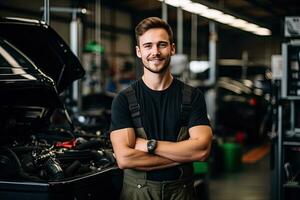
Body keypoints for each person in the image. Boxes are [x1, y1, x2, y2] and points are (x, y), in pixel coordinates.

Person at [109, 17, 213, 200]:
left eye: (162, 45)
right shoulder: (123, 100)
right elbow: (125, 158)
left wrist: (150, 145)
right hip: (138, 194)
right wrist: (184, 154)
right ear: (139, 51)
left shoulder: (192, 96)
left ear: (172, 48)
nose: (155, 52)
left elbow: (202, 150)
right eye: (148, 46)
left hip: (182, 193)